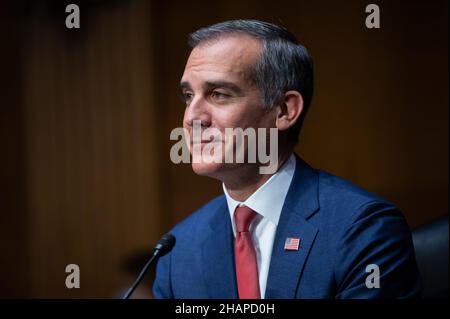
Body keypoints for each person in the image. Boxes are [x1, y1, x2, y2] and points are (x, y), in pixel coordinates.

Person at [153, 20, 422, 299]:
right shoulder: (177, 252)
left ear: (284, 110)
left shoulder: (363, 228)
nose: (192, 118)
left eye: (218, 94)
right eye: (188, 96)